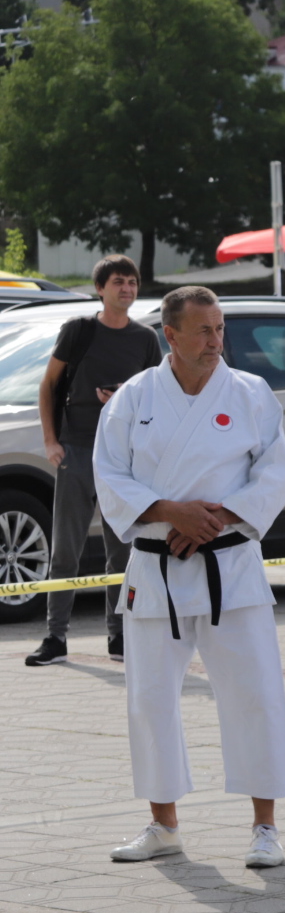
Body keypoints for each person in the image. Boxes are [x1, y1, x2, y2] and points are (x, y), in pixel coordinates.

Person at [92, 286, 285, 870]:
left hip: (230, 563)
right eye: (203, 330)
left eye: (220, 328)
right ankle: (164, 824)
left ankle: (265, 826)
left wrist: (215, 518)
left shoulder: (251, 393)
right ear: (171, 335)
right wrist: (168, 512)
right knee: (149, 699)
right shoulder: (132, 399)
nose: (215, 340)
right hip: (156, 567)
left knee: (254, 694)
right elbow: (110, 476)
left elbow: (274, 474)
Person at [27, 255, 158, 667]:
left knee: (122, 552)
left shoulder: (145, 339)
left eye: (132, 282)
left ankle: (119, 636)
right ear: (100, 289)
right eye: (118, 282)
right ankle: (55, 637)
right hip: (78, 449)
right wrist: (51, 441)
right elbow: (48, 384)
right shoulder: (79, 330)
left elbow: (155, 398)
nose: (127, 289)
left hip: (124, 457)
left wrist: (123, 399)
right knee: (65, 550)